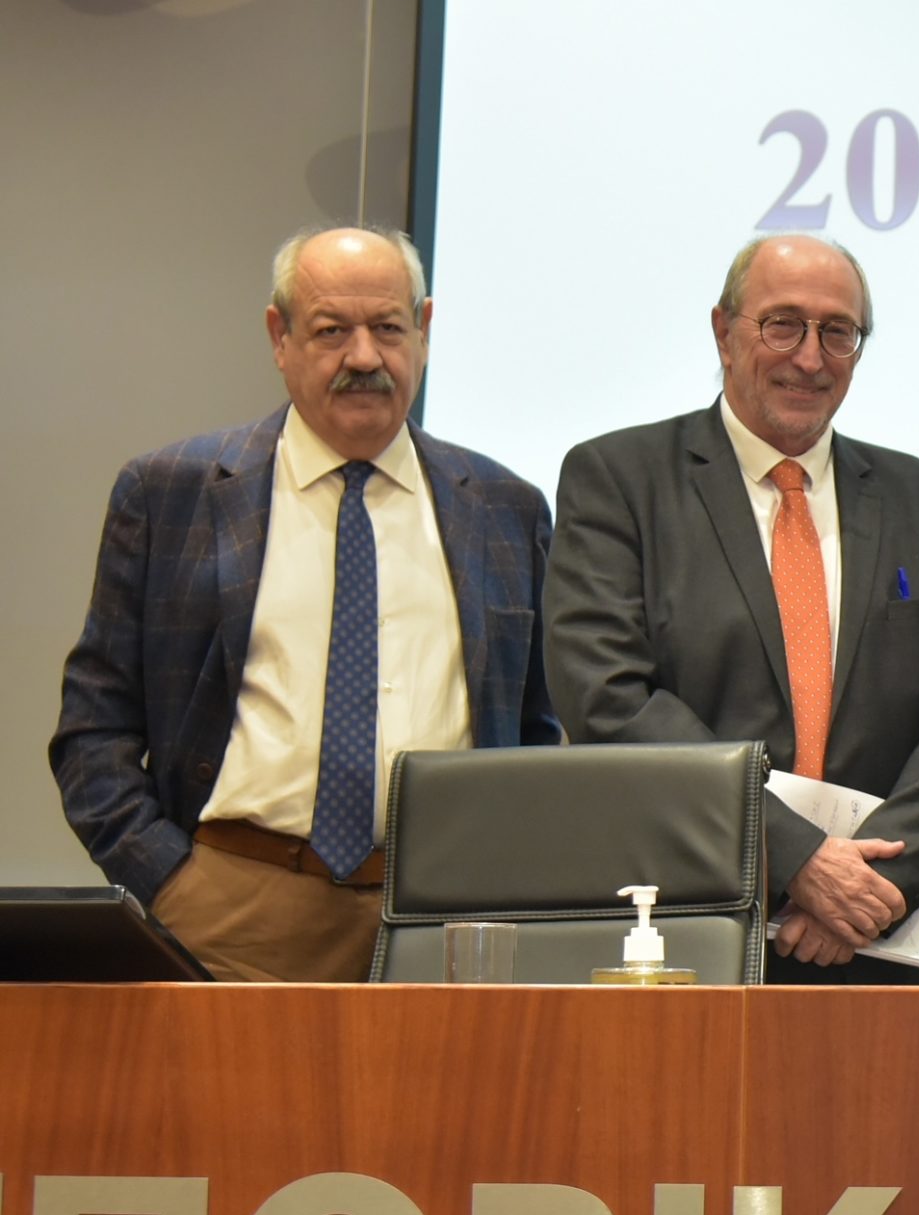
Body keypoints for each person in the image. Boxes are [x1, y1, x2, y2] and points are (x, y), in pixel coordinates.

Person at [51, 226, 560, 982]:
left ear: (424, 330)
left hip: (444, 918)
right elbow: (94, 730)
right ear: (279, 337)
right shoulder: (170, 493)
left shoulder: (506, 508)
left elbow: (536, 735)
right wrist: (168, 879)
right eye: (331, 331)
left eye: (389, 328)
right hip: (236, 910)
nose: (364, 357)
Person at [543, 234, 919, 984]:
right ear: (723, 332)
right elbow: (610, 700)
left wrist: (869, 887)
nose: (811, 358)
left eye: (838, 332)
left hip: (885, 935)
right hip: (686, 933)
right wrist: (795, 858)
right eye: (783, 325)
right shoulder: (619, 481)